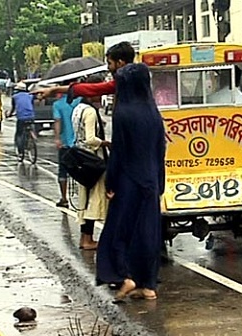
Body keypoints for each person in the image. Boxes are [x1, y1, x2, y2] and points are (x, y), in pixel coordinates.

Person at [96, 62, 166, 301]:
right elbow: (160, 150)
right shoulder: (153, 112)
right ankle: (148, 285)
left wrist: (111, 182)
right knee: (147, 232)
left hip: (128, 179)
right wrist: (160, 181)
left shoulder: (123, 113)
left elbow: (119, 152)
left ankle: (125, 277)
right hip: (151, 180)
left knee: (118, 232)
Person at [71, 84, 109, 250]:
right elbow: (90, 139)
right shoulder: (91, 112)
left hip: (81, 158)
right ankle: (88, 239)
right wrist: (106, 143)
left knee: (84, 199)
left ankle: (84, 239)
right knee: (94, 199)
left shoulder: (78, 109)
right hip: (93, 159)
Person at [37, 41, 135, 102]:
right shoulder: (125, 81)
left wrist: (55, 90)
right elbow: (89, 88)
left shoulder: (130, 81)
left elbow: (93, 89)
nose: (108, 68)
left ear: (120, 63)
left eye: (110, 63)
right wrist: (54, 90)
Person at [52, 85, 82, 208]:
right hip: (80, 143)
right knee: (82, 170)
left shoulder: (58, 105)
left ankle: (64, 199)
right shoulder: (79, 101)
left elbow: (58, 121)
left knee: (62, 171)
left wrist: (57, 138)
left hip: (65, 143)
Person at [8, 82, 36, 160]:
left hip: (21, 118)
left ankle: (20, 152)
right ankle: (31, 137)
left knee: (19, 134)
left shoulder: (14, 97)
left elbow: (13, 109)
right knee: (31, 127)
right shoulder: (30, 96)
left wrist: (9, 114)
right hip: (31, 117)